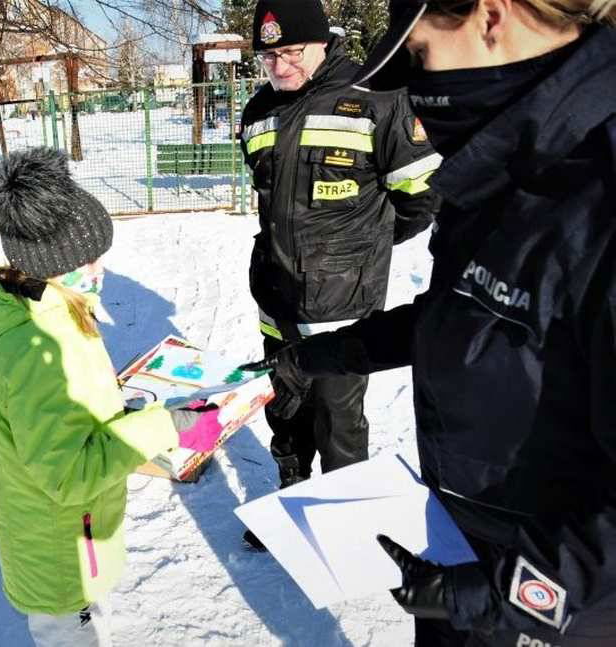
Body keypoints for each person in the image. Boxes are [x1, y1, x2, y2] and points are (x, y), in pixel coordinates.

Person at [242, 0, 616, 644]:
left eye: (419, 57)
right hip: (461, 538)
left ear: (490, 18)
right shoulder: (505, 168)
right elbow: (464, 317)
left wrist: (508, 597)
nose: (416, 94)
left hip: (559, 603)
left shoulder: (599, 191)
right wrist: (315, 356)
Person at [0, 147, 223, 647]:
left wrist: (118, 411)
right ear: (53, 263)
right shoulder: (38, 350)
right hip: (59, 556)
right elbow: (69, 473)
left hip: (73, 540)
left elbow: (66, 422)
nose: (99, 265)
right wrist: (164, 427)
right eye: (89, 256)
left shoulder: (53, 314)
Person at [239, 0, 441, 548]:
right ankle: (291, 497)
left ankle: (344, 522)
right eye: (268, 57)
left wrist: (360, 248)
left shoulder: (376, 99)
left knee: (338, 420)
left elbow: (422, 197)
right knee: (284, 406)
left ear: (324, 42)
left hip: (342, 309)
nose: (279, 67)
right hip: (276, 297)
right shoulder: (258, 112)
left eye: (290, 53)